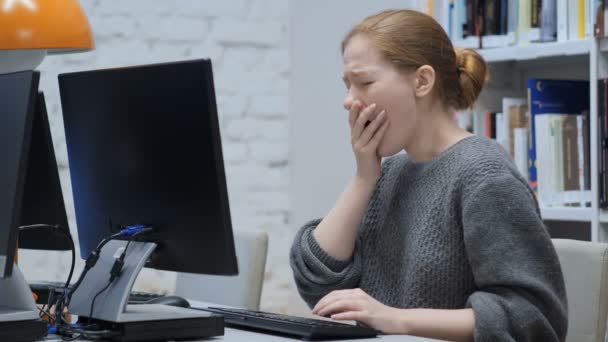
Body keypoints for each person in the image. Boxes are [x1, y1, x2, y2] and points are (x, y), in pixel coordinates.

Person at [289, 9, 567, 342]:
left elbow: (533, 317)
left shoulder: (484, 175)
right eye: (347, 85)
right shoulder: (387, 172)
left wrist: (397, 319)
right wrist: (364, 178)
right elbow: (317, 286)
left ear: (422, 81)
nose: (349, 101)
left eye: (364, 82)